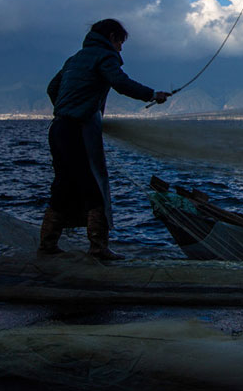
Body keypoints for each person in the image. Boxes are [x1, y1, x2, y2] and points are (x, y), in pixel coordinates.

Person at [39, 19, 171, 260]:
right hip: (78, 131)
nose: (121, 49)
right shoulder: (104, 56)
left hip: (58, 128)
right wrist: (152, 94)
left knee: (63, 185)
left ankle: (47, 244)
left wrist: (66, 107)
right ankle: (98, 248)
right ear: (112, 37)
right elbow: (120, 82)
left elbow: (52, 87)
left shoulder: (75, 58)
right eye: (120, 42)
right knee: (94, 185)